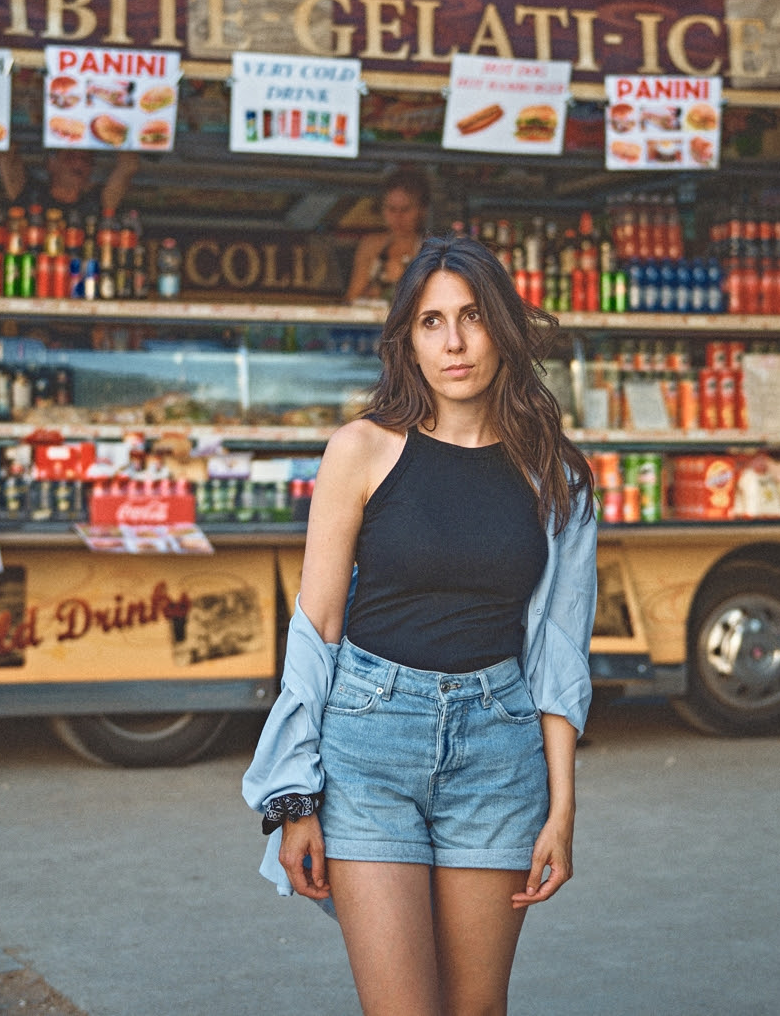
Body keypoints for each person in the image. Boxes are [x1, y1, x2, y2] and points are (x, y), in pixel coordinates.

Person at [243, 235, 598, 1016]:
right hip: (369, 743)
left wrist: (563, 814)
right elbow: (318, 624)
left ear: (503, 327)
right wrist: (293, 797)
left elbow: (561, 656)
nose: (455, 342)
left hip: (499, 752)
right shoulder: (361, 451)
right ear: (408, 339)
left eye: (472, 317)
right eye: (431, 322)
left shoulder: (558, 476)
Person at [345, 168, 432, 302]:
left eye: (405, 209)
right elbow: (352, 298)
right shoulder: (371, 245)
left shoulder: (432, 249)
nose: (398, 217)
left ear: (422, 211)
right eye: (391, 209)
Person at [0, 147, 139, 222]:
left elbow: (129, 165)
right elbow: (6, 154)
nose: (79, 163)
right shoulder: (28, 193)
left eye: (86, 159)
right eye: (70, 156)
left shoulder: (100, 201)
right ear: (51, 164)